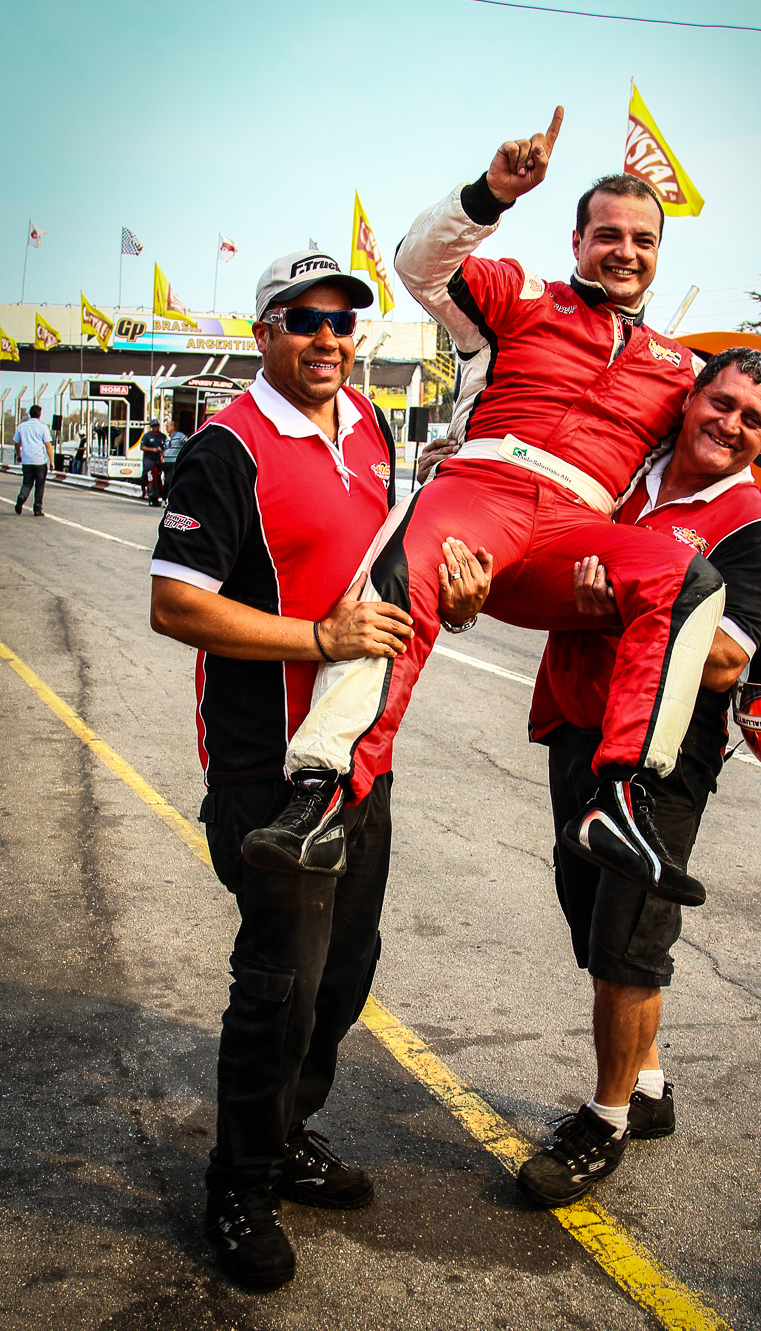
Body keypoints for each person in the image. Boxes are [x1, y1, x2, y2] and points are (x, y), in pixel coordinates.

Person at [243, 108, 726, 910]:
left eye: (642, 240)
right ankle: (323, 796)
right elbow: (419, 269)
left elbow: (732, 451)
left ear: (658, 255)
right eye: (607, 234)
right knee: (401, 567)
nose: (624, 251)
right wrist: (491, 191)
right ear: (577, 243)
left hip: (581, 528)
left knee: (690, 580)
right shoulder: (521, 294)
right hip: (483, 491)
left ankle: (622, 802)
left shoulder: (682, 369)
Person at [149, 249, 490, 1291]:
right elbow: (175, 605)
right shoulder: (225, 447)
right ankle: (239, 1180)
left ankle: (289, 1131)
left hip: (360, 758)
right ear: (265, 333)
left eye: (345, 318)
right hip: (266, 773)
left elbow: (392, 569)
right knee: (281, 989)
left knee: (344, 974)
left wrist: (456, 592)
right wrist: (320, 638)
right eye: (305, 319)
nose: (329, 336)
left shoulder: (376, 430)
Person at [515, 349, 761, 1206]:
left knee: (628, 942)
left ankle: (602, 1120)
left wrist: (623, 600)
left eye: (754, 420)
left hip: (662, 756)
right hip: (577, 719)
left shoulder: (751, 527)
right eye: (722, 402)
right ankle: (649, 1088)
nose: (731, 424)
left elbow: (719, 660)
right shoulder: (627, 472)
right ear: (690, 399)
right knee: (587, 914)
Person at [13, 404, 54, 516]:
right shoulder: (43, 427)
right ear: (40, 415)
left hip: (27, 461)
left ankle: (22, 496)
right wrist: (52, 461)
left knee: (27, 483)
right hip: (40, 461)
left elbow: (16, 442)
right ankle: (37, 508)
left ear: (30, 414)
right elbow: (48, 445)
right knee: (40, 485)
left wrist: (19, 454)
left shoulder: (22, 426)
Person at [140, 418, 167, 505]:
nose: (155, 427)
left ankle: (157, 496)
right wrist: (152, 449)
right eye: (153, 426)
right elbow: (142, 447)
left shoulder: (163, 436)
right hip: (149, 460)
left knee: (158, 478)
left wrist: (163, 453)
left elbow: (166, 447)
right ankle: (151, 496)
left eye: (156, 426)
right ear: (151, 427)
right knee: (149, 477)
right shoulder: (147, 436)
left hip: (158, 460)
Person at [161, 418, 186, 496]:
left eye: (168, 426)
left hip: (174, 461)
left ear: (172, 427)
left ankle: (167, 496)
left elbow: (186, 441)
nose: (166, 428)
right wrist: (162, 456)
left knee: (169, 480)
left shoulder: (179, 435)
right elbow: (165, 448)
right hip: (166, 461)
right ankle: (165, 497)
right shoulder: (167, 437)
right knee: (166, 479)